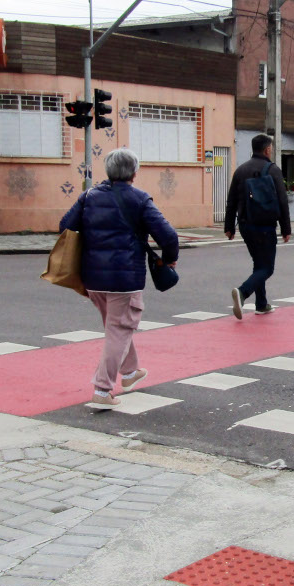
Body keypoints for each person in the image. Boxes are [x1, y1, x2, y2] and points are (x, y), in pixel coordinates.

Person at [59, 148, 178, 410]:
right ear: (134, 173)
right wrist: (169, 259)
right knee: (120, 329)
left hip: (92, 279)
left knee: (116, 327)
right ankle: (102, 389)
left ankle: (130, 372)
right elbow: (168, 236)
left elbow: (65, 226)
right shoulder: (140, 199)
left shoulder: (89, 196)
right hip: (124, 280)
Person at [224, 134, 291, 318]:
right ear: (267, 149)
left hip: (246, 225)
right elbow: (283, 201)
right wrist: (286, 229)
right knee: (267, 268)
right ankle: (243, 292)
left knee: (259, 264)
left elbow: (231, 201)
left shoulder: (241, 170)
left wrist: (229, 226)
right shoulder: (273, 170)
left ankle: (261, 304)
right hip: (265, 226)